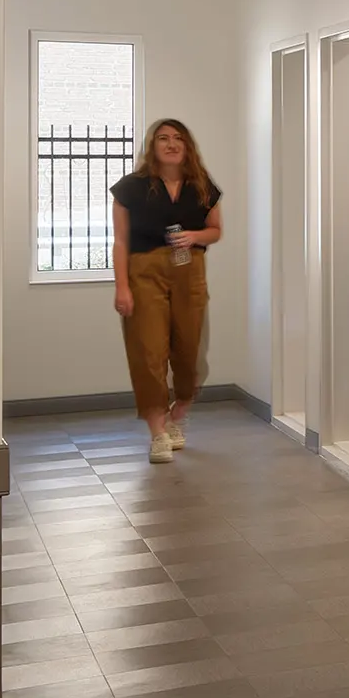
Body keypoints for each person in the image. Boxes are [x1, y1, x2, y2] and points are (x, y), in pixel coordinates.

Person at [110, 119, 223, 464]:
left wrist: (195, 236)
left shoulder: (203, 186)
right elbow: (120, 241)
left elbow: (216, 230)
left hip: (190, 273)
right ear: (152, 145)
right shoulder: (131, 187)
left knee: (190, 354)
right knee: (148, 352)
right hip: (144, 273)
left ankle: (178, 414)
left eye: (178, 138)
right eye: (163, 138)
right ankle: (158, 433)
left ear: (187, 146)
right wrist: (122, 287)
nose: (171, 144)